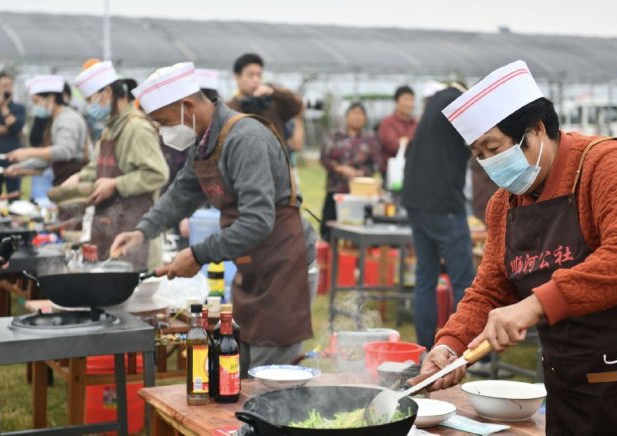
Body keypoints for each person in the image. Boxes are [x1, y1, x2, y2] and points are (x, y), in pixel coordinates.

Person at [409, 60, 617, 435]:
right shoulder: (504, 204)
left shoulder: (607, 165)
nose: (488, 163)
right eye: (478, 154)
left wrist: (534, 305)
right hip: (565, 382)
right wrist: (450, 346)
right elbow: (490, 287)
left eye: (494, 148)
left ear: (537, 130)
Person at [110, 62, 316, 376]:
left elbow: (258, 221)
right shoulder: (205, 143)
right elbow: (180, 194)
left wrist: (197, 254)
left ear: (188, 107)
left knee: (271, 379)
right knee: (240, 369)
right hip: (253, 265)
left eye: (164, 122)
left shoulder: (245, 139)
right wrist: (141, 232)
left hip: (285, 264)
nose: (164, 132)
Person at [63, 60, 169, 270]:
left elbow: (157, 174)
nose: (89, 106)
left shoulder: (136, 128)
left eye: (90, 99)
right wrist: (78, 179)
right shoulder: (109, 130)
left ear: (108, 92)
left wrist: (115, 184)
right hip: (109, 228)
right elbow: (97, 167)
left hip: (136, 234)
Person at [401, 82, 475, 351]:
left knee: (426, 277)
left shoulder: (432, 106)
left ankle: (424, 348)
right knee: (464, 282)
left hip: (416, 202)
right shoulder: (457, 101)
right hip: (444, 204)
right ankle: (464, 349)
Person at [5, 75, 89, 186]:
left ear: (51, 98)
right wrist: (21, 166)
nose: (36, 107)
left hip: (74, 179)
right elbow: (48, 157)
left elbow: (64, 151)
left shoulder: (67, 119)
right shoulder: (55, 119)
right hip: (63, 180)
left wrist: (28, 152)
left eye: (37, 101)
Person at [319, 102, 380, 241]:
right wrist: (339, 168)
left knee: (357, 229)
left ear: (365, 118)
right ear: (347, 116)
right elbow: (324, 157)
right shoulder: (334, 135)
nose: (357, 117)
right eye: (354, 113)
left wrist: (360, 173)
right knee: (329, 228)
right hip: (336, 190)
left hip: (360, 194)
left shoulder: (370, 139)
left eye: (361, 114)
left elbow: (376, 163)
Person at [227, 53, 303, 143]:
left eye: (259, 75)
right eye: (250, 75)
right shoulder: (229, 108)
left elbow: (296, 106)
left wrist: (274, 92)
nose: (256, 80)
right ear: (237, 77)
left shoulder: (272, 103)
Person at [0, 71, 26, 195]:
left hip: (12, 157)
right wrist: (6, 128)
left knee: (13, 193)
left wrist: (3, 107)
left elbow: (16, 127)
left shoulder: (18, 108)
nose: (7, 88)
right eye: (3, 85)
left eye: (10, 85)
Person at [378, 85, 417, 177]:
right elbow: (393, 145)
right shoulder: (387, 122)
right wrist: (411, 142)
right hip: (391, 173)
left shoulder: (416, 123)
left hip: (412, 173)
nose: (409, 104)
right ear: (396, 101)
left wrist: (406, 141)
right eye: (405, 100)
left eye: (411, 100)